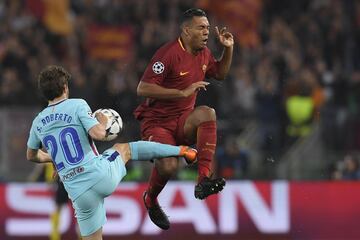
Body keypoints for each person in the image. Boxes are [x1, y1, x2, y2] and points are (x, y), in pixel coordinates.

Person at [26, 65, 198, 240]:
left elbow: (32, 155)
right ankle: (182, 151)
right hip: (99, 175)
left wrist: (53, 158)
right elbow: (99, 134)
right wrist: (101, 119)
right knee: (124, 149)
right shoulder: (77, 105)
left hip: (78, 193)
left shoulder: (38, 122)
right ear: (65, 88)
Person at [134, 8, 234, 230]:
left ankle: (203, 180)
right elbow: (143, 88)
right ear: (187, 31)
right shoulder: (168, 54)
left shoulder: (204, 53)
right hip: (158, 123)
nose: (207, 32)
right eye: (201, 27)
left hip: (183, 121)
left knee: (208, 112)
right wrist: (181, 93)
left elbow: (221, 74)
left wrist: (228, 49)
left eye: (208, 27)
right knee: (169, 167)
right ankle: (150, 199)